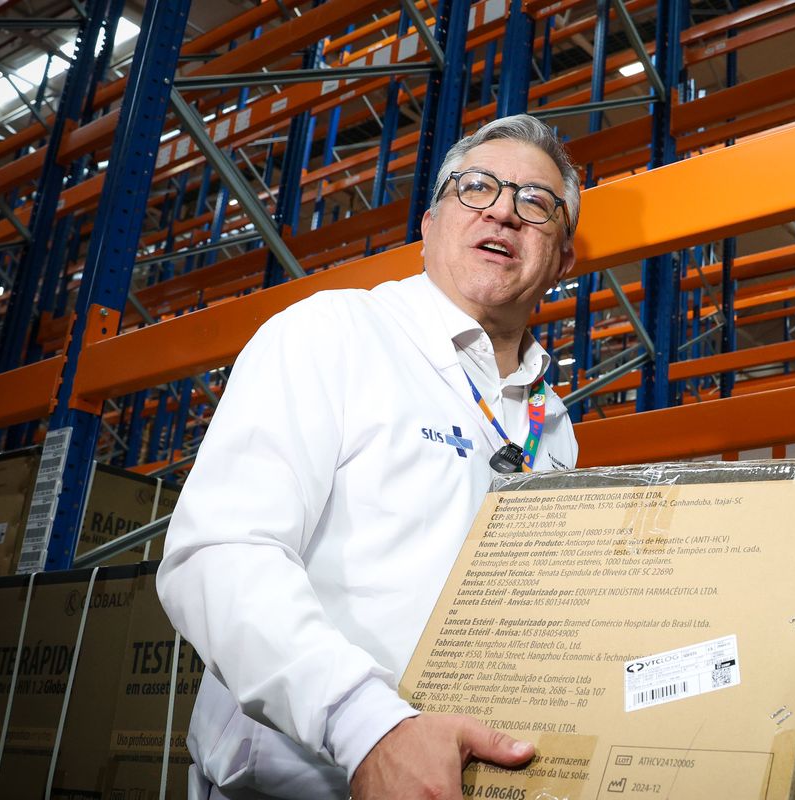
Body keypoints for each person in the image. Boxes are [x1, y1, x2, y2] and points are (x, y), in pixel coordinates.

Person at [158, 114, 583, 800]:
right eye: (477, 187)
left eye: (536, 203)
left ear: (562, 258)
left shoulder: (553, 423)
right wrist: (368, 727)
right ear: (430, 226)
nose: (503, 211)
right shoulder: (334, 334)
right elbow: (220, 553)